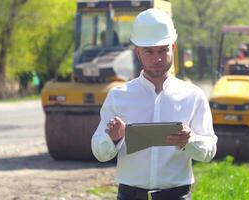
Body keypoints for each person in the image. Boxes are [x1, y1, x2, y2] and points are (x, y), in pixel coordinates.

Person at [91, 8, 217, 200]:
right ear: (138, 52)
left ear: (173, 48)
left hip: (177, 195)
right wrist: (113, 138)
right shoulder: (118, 96)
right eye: (149, 52)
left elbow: (209, 151)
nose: (157, 58)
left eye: (163, 50)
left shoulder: (193, 96)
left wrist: (189, 140)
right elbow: (100, 153)